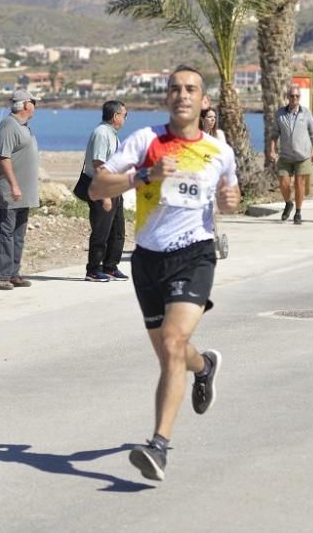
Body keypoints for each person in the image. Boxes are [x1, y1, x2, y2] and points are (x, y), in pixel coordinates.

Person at [89, 65, 240, 482]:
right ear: (166, 97)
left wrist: (230, 200)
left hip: (195, 254)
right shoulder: (146, 140)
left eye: (191, 89)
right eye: (175, 88)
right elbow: (97, 187)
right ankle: (205, 366)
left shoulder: (219, 151)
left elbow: (230, 196)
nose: (182, 95)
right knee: (172, 353)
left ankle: (158, 445)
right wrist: (142, 176)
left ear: (204, 100)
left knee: (173, 343)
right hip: (148, 261)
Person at [0, 89, 40, 291]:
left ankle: (13, 273)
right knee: (6, 233)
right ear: (26, 105)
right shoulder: (9, 125)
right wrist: (13, 185)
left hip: (25, 194)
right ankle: (1, 276)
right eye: (33, 102)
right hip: (10, 192)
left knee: (18, 234)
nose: (35, 107)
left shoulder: (24, 127)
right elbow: (4, 157)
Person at [82, 100, 128, 282]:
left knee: (117, 231)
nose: (125, 119)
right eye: (125, 115)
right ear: (116, 116)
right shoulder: (102, 133)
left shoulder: (112, 134)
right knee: (101, 231)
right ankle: (93, 269)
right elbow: (99, 164)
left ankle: (110, 266)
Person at [268, 86, 313, 225]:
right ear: (287, 97)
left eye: (296, 96)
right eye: (291, 96)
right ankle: (288, 203)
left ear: (299, 98)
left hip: (302, 156)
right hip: (285, 155)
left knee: (299, 184)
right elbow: (274, 134)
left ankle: (298, 212)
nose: (294, 98)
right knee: (283, 183)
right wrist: (272, 150)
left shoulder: (306, 113)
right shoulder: (280, 113)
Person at [200, 106, 230, 259]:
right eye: (209, 117)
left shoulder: (218, 136)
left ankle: (210, 238)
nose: (212, 120)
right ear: (202, 119)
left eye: (214, 117)